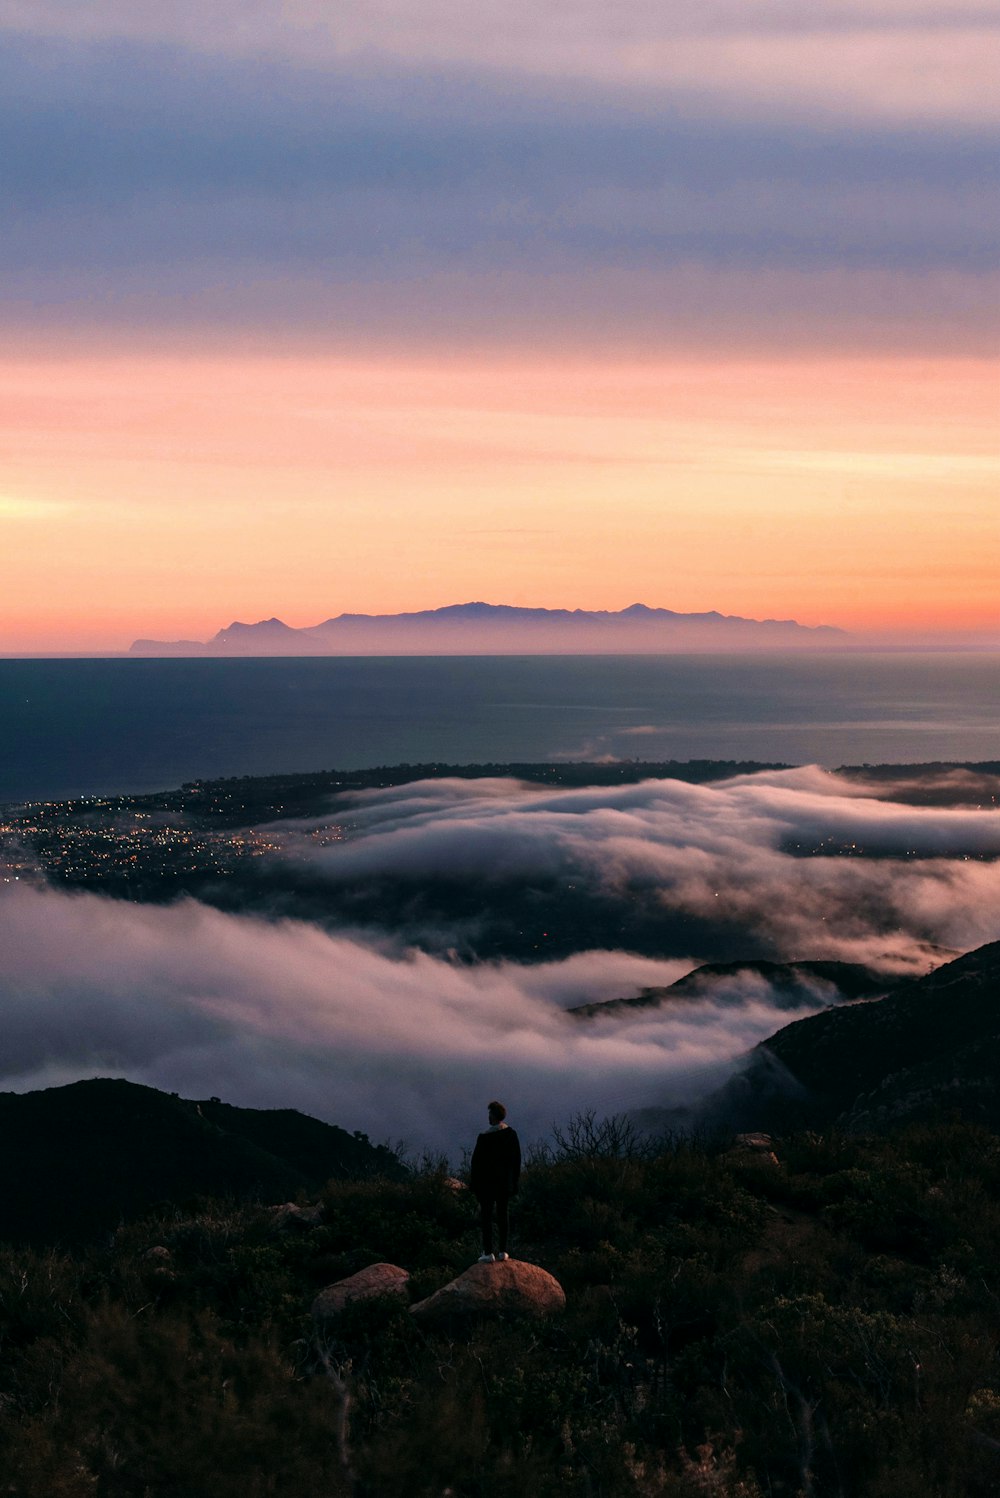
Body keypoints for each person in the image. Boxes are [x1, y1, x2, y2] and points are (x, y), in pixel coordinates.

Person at [469, 1100, 521, 1263]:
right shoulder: (511, 1134)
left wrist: (475, 1185)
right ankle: (503, 1251)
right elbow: (516, 1161)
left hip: (487, 1184)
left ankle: (488, 1252)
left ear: (493, 1115)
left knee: (486, 1217)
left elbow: (476, 1164)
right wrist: (514, 1182)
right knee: (503, 1215)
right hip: (504, 1183)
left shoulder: (484, 1138)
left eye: (489, 1114)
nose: (488, 1117)